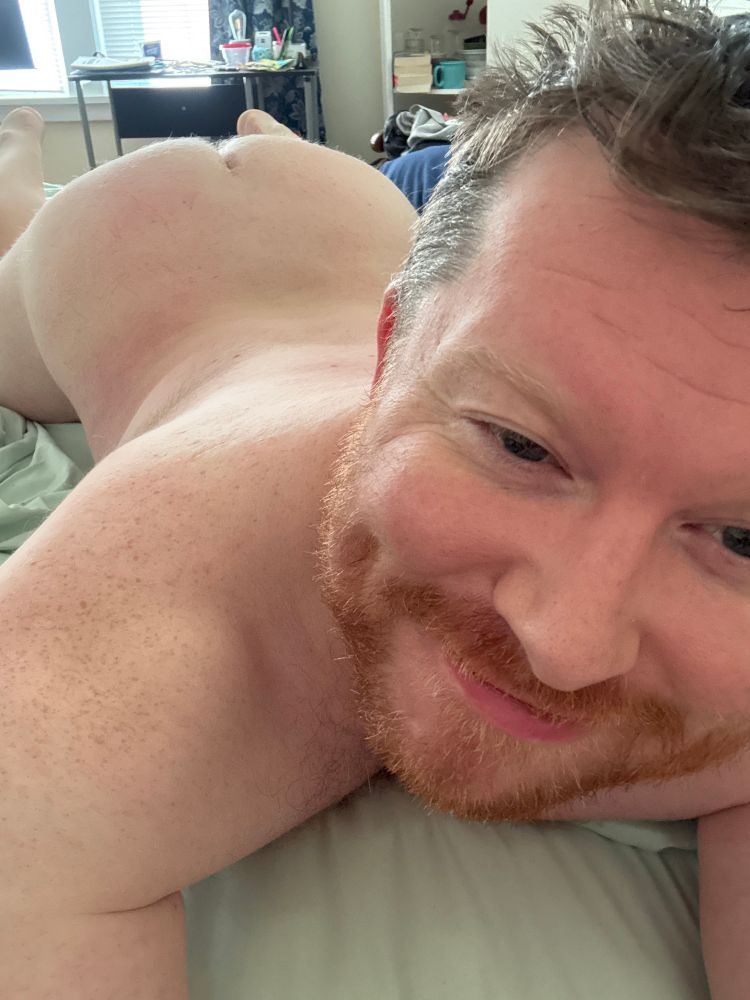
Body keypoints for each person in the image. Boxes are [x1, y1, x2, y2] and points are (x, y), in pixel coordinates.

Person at [2, 2, 750, 996]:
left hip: (354, 221)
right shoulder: (100, 685)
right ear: (388, 353)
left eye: (742, 537)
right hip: (126, 245)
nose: (564, 649)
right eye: (519, 445)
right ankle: (19, 167)